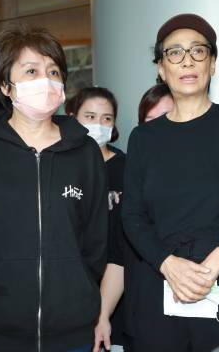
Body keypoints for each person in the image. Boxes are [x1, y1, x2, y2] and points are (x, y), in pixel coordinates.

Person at [0, 26, 108, 352]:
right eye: (31, 71)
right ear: (4, 85)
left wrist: (82, 295)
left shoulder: (85, 153)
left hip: (71, 331)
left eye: (53, 71)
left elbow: (96, 242)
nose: (47, 80)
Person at [121, 13, 219, 352]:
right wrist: (168, 265)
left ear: (213, 64)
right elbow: (132, 215)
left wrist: (212, 266)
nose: (187, 61)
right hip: (161, 284)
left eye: (198, 51)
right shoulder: (143, 137)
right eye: (174, 53)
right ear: (161, 67)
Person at [64, 87, 129, 352]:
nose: (98, 125)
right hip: (68, 295)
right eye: (89, 116)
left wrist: (102, 313)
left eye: (106, 118)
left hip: (116, 293)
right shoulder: (61, 166)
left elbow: (121, 248)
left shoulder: (126, 168)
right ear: (72, 117)